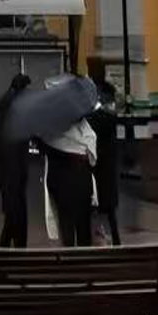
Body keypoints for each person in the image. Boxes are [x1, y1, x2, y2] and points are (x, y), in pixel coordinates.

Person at [42, 102, 97, 247]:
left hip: (60, 183)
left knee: (66, 224)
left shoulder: (51, 130)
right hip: (81, 180)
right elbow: (92, 156)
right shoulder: (83, 127)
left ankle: (69, 255)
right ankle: (83, 256)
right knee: (83, 226)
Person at [0, 71, 32, 247]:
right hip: (13, 171)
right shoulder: (13, 112)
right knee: (16, 214)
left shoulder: (6, 109)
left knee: (14, 214)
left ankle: (9, 247)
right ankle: (12, 249)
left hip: (9, 171)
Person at [91, 71, 122, 246]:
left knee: (97, 207)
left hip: (99, 167)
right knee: (110, 211)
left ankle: (98, 238)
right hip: (108, 168)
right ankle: (115, 240)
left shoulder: (97, 117)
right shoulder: (111, 117)